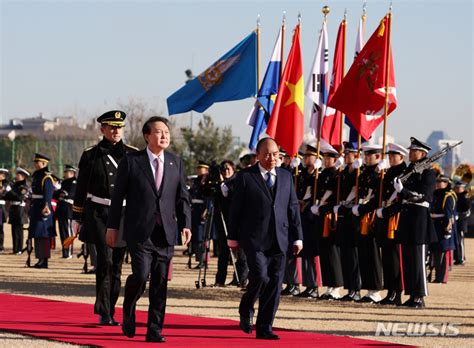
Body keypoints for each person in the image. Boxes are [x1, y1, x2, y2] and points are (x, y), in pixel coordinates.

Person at [106, 116, 191, 343]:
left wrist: (186, 225)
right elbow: (117, 198)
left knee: (160, 282)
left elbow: (182, 198)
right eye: (159, 132)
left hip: (166, 233)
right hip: (139, 231)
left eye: (166, 132)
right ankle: (129, 307)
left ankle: (154, 330)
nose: (164, 136)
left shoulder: (176, 162)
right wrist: (113, 227)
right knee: (141, 275)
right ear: (147, 136)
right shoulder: (132, 161)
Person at [228, 137, 303, 340]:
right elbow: (236, 210)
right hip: (254, 239)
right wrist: (232, 237)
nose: (272, 158)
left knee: (275, 284)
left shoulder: (286, 177)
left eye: (276, 154)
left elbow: (293, 208)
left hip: (280, 238)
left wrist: (298, 238)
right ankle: (246, 307)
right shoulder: (245, 177)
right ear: (258, 155)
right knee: (260, 276)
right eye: (268, 154)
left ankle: (265, 326)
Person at [72, 110, 138, 325]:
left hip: (124, 214)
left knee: (117, 265)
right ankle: (104, 311)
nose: (115, 130)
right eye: (111, 127)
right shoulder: (91, 154)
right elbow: (81, 187)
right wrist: (77, 216)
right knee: (105, 262)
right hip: (99, 213)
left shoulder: (133, 153)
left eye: (119, 127)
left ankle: (111, 307)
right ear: (102, 129)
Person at [394, 137, 437, 308]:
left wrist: (403, 191)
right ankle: (411, 294)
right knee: (408, 259)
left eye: (413, 151)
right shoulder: (410, 170)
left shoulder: (428, 172)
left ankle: (420, 296)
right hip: (407, 217)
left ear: (423, 153)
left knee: (418, 260)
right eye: (410, 150)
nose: (410, 153)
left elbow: (425, 196)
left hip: (419, 218)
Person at [375, 143, 408, 305]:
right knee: (387, 258)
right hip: (385, 218)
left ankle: (397, 292)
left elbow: (402, 200)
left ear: (401, 157)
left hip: (396, 220)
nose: (390, 158)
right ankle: (390, 291)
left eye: (393, 156)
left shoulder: (405, 173)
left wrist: (387, 212)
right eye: (389, 156)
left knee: (395, 258)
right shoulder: (388, 173)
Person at [311, 144, 344, 300]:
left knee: (332, 252)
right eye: (324, 158)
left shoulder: (336, 174)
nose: (325, 160)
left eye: (328, 158)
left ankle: (336, 286)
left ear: (335, 160)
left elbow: (336, 194)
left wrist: (338, 170)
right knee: (324, 251)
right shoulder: (323, 173)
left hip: (330, 215)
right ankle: (330, 285)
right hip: (321, 213)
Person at [351, 144, 384, 303]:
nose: (366, 158)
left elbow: (378, 195)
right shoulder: (365, 172)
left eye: (369, 155)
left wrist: (381, 173)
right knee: (364, 253)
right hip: (362, 214)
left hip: (372, 216)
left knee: (373, 254)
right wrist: (352, 169)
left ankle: (376, 290)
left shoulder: (380, 172)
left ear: (377, 157)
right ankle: (369, 289)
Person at [335, 142, 362, 301]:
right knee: (345, 253)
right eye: (345, 154)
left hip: (354, 215)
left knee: (354, 255)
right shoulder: (343, 171)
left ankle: (356, 288)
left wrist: (360, 170)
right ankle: (350, 288)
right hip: (344, 214)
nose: (345, 156)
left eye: (348, 154)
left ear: (356, 155)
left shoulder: (359, 172)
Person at [28, 153, 55, 269]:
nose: (35, 164)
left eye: (37, 162)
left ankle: (44, 261)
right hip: (36, 207)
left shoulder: (46, 177)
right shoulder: (38, 176)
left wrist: (46, 207)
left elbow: (48, 194)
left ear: (44, 163)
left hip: (43, 209)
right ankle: (39, 258)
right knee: (37, 234)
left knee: (44, 234)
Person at [429, 175, 457, 284]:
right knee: (435, 252)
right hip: (435, 224)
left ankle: (442, 277)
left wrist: (448, 230)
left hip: (443, 225)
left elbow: (448, 214)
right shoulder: (436, 193)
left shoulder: (448, 195)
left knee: (443, 253)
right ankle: (436, 276)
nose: (438, 183)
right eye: (438, 181)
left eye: (441, 181)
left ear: (446, 183)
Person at [5, 168, 30, 254]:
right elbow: (7, 197)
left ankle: (19, 249)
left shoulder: (24, 186)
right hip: (13, 208)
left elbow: (19, 197)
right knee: (13, 230)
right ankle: (15, 249)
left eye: (18, 175)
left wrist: (10, 191)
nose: (16, 176)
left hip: (20, 209)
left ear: (23, 176)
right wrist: (6, 191)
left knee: (19, 230)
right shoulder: (15, 185)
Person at [189, 161, 209, 269]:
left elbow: (207, 197)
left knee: (202, 238)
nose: (199, 170)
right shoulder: (197, 181)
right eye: (198, 168)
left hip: (202, 211)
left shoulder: (206, 181)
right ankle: (199, 260)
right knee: (196, 238)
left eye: (201, 168)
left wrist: (206, 210)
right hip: (194, 211)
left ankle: (203, 261)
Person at [56, 165, 77, 258]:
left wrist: (61, 191)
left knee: (68, 232)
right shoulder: (64, 182)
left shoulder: (74, 182)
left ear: (72, 173)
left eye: (66, 172)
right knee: (62, 232)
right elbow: (56, 194)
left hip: (68, 209)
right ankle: (65, 252)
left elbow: (69, 194)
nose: (65, 174)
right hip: (61, 208)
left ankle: (68, 252)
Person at [453, 181, 470, 265]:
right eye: (456, 187)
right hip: (454, 222)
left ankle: (461, 258)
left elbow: (467, 210)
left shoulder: (465, 197)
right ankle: (456, 257)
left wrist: (458, 215)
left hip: (461, 223)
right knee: (455, 240)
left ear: (463, 188)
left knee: (460, 242)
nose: (457, 189)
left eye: (459, 187)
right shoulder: (453, 195)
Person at [0, 168, 9, 253]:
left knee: (0, 228)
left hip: (1, 207)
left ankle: (1, 247)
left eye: (2, 175)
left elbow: (3, 194)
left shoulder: (6, 185)